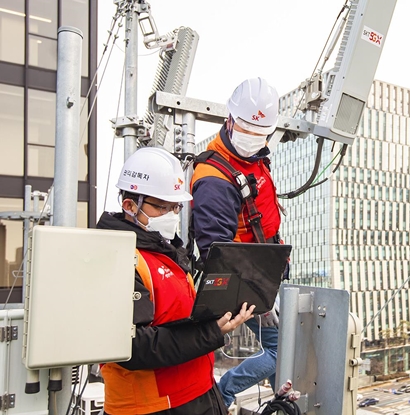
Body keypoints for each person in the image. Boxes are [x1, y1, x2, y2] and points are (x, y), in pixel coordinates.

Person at [97, 147, 255, 415]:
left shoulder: (168, 252)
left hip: (200, 392)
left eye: (175, 207)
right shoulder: (116, 257)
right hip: (150, 407)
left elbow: (179, 317)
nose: (171, 214)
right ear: (130, 206)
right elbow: (132, 346)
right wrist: (211, 332)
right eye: (162, 207)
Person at [191, 77, 284, 408]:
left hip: (265, 274)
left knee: (284, 353)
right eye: (246, 129)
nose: (253, 138)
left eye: (261, 133)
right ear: (229, 120)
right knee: (282, 350)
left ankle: (282, 400)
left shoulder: (252, 157)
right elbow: (220, 252)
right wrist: (261, 296)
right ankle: (223, 393)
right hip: (252, 280)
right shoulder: (214, 177)